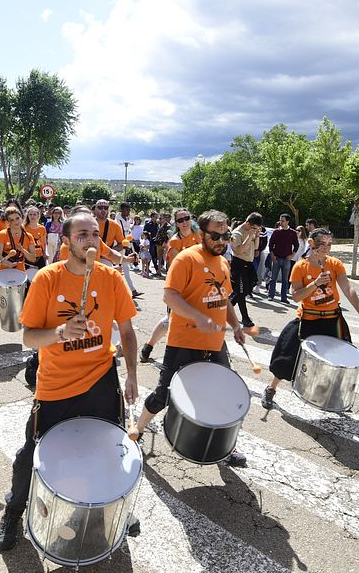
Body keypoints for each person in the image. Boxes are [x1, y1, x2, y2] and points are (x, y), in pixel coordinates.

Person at [0, 211, 140, 552]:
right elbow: (29, 337)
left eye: (95, 234)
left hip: (102, 381)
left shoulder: (111, 278)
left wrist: (132, 375)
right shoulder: (47, 279)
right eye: (82, 235)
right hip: (56, 385)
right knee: (31, 453)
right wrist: (59, 332)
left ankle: (105, 512)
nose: (91, 240)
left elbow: (129, 332)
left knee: (108, 451)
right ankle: (14, 511)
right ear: (67, 241)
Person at [133, 209, 247, 467]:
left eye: (225, 235)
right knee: (164, 394)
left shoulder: (223, 263)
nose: (221, 241)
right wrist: (197, 317)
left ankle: (227, 447)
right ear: (202, 233)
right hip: (183, 342)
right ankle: (138, 429)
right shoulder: (186, 259)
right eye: (215, 235)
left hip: (215, 343)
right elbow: (169, 297)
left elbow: (225, 299)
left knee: (222, 394)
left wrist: (236, 326)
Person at [262, 227, 359, 409]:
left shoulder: (335, 264)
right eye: (322, 244)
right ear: (311, 243)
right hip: (308, 319)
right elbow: (296, 296)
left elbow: (347, 287)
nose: (326, 248)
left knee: (338, 361)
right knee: (288, 358)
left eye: (329, 244)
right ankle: (271, 389)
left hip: (332, 320)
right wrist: (315, 283)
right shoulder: (300, 266)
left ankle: (334, 397)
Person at [139, 208, 201, 363]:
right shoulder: (174, 241)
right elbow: (176, 267)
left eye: (186, 218)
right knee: (170, 321)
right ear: (176, 224)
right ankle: (148, 347)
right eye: (180, 220)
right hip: (179, 287)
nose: (185, 222)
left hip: (197, 286)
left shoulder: (198, 236)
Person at [94, 199, 142, 299]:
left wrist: (108, 251)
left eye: (105, 208)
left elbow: (121, 243)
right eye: (100, 208)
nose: (103, 210)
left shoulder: (114, 225)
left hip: (106, 258)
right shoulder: (88, 223)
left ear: (108, 210)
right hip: (88, 259)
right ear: (95, 209)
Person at [229, 212, 262, 327]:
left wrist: (256, 235)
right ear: (248, 223)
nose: (254, 230)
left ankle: (227, 306)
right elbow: (239, 250)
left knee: (250, 285)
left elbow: (257, 247)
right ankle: (245, 318)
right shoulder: (236, 233)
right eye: (253, 227)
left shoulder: (252, 230)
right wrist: (249, 236)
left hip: (249, 263)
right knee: (241, 291)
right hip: (238, 263)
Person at [268, 214, 301, 302]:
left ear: (287, 221)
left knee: (285, 279)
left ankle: (284, 297)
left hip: (287, 259)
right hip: (276, 258)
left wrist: (292, 255)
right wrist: (272, 255)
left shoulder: (292, 233)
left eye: (282, 221)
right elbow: (271, 244)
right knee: (273, 278)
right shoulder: (276, 232)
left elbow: (296, 245)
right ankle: (271, 295)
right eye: (280, 220)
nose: (280, 222)